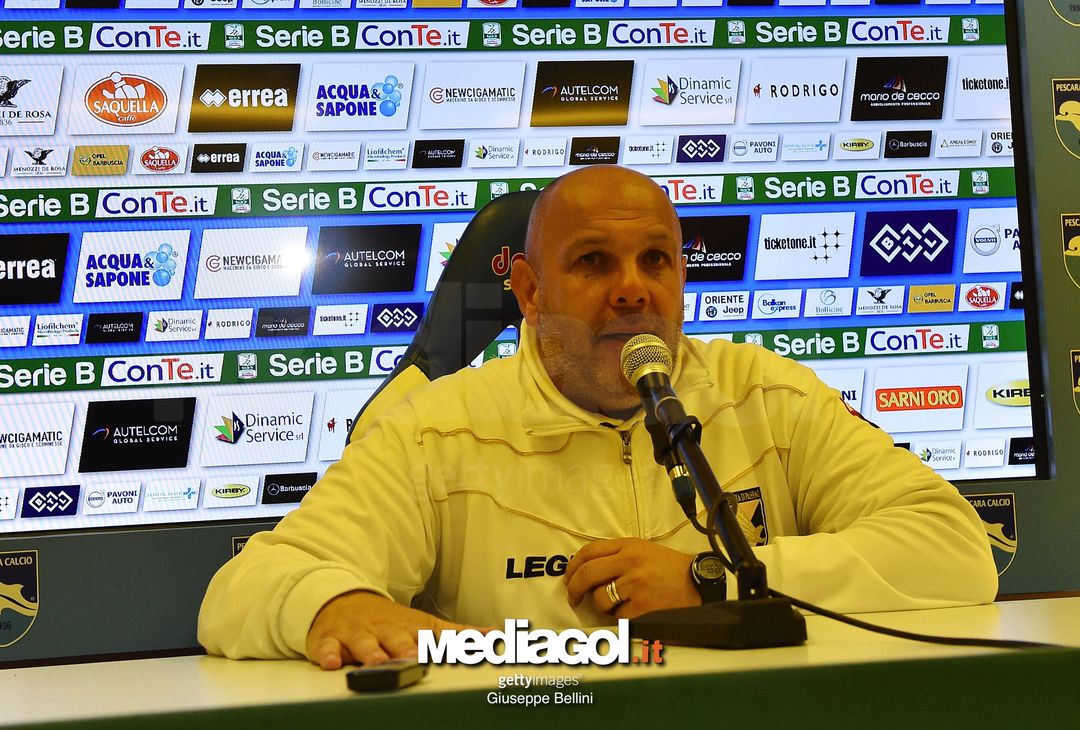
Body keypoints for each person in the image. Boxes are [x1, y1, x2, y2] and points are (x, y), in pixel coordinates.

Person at [198, 166, 997, 669]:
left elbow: (953, 548)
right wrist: (336, 605)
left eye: (657, 260)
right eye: (593, 263)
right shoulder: (433, 430)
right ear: (529, 296)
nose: (632, 289)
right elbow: (245, 589)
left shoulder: (765, 396)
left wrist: (706, 580)